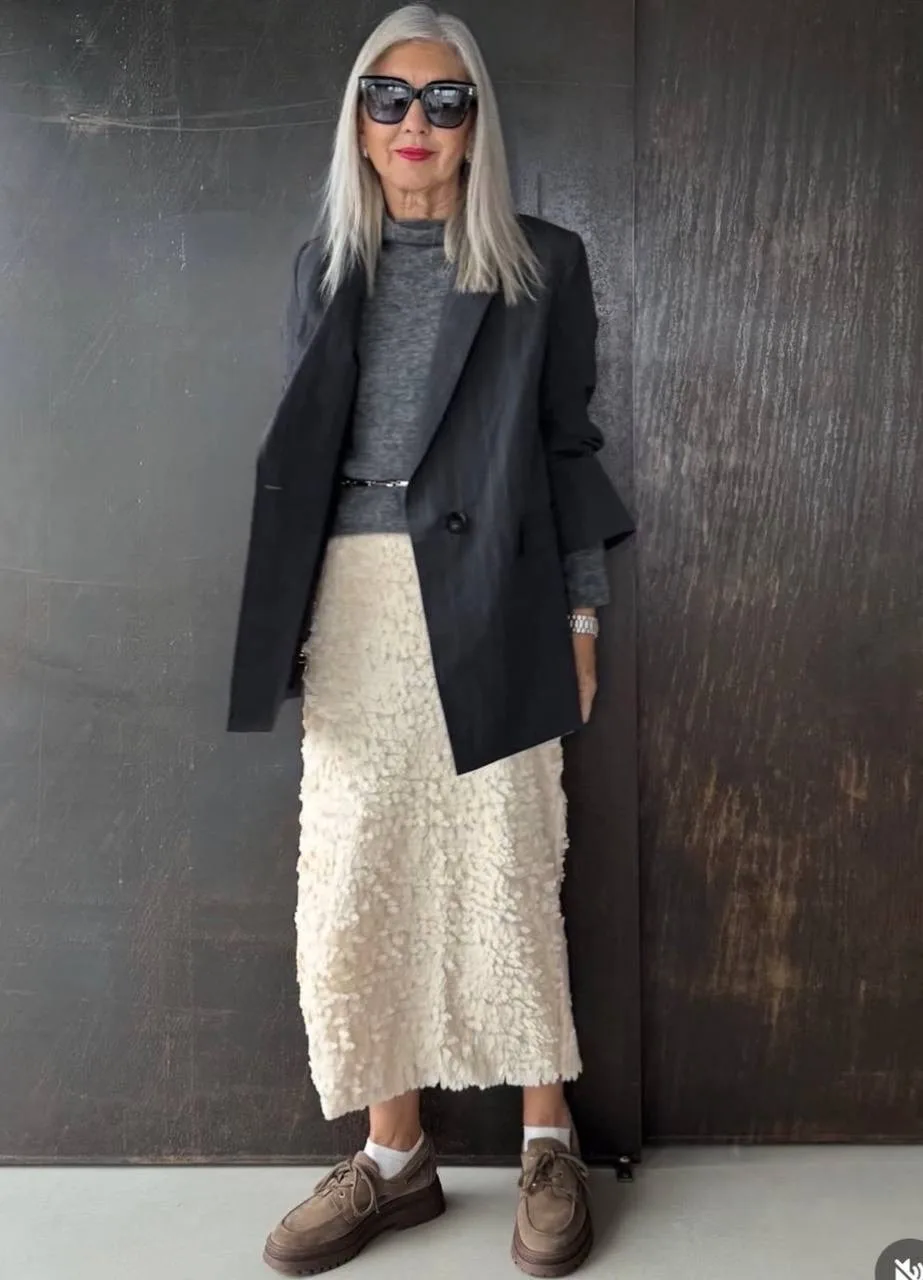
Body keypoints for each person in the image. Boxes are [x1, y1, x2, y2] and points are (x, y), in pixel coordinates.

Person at [226, 3, 635, 1275]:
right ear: (356, 123)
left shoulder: (540, 262)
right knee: (358, 873)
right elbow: (303, 455)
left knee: (507, 863)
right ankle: (393, 1155)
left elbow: (567, 448)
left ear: (475, 125)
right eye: (388, 97)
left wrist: (578, 611)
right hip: (352, 604)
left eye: (445, 99)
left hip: (494, 594)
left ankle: (546, 1136)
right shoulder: (323, 266)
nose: (415, 122)